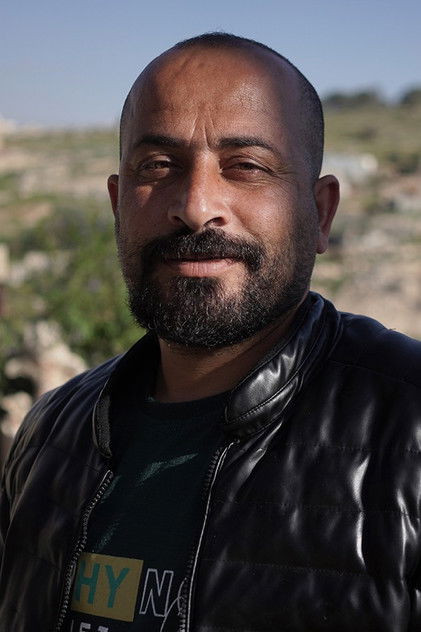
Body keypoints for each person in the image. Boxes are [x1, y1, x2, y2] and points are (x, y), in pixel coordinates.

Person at [0, 32, 420, 632]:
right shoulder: (49, 436)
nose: (196, 206)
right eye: (158, 166)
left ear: (321, 212)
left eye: (246, 166)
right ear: (118, 204)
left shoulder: (407, 431)